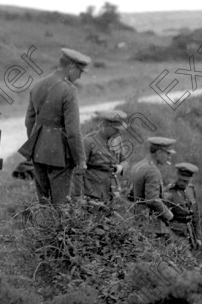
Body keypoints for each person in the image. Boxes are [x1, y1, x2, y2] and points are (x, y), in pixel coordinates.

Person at [18, 48, 90, 204]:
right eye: (80, 72)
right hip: (59, 155)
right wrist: (80, 159)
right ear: (71, 67)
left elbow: (29, 121)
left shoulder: (37, 85)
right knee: (60, 204)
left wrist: (36, 144)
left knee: (43, 201)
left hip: (37, 151)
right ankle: (57, 229)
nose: (79, 77)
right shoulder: (69, 90)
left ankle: (43, 228)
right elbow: (73, 131)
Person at [75, 109, 129, 202]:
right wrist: (78, 196)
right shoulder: (88, 141)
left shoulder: (117, 140)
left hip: (112, 190)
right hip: (93, 191)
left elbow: (125, 161)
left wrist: (120, 167)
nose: (118, 133)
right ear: (105, 125)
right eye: (116, 129)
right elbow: (79, 170)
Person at [127, 137, 177, 237]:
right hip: (152, 226)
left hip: (139, 221)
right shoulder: (153, 171)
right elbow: (152, 199)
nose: (169, 157)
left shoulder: (139, 166)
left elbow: (131, 195)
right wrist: (168, 215)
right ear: (158, 153)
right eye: (167, 153)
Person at [165, 163, 202, 248]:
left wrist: (198, 237)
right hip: (176, 235)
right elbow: (163, 220)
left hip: (190, 234)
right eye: (180, 180)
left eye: (185, 181)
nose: (182, 183)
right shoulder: (169, 192)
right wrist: (170, 240)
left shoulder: (191, 189)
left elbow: (195, 215)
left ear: (190, 179)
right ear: (177, 176)